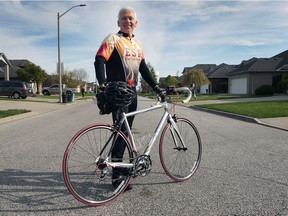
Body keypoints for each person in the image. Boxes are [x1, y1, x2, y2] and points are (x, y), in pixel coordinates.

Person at [94, 6, 162, 190]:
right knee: (121, 133)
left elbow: (143, 68)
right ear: (118, 22)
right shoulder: (113, 39)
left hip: (132, 94)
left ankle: (121, 167)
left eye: (131, 18)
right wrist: (102, 83)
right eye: (124, 18)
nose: (128, 21)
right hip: (117, 93)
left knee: (127, 131)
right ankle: (117, 177)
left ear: (136, 23)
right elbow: (99, 59)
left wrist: (156, 87)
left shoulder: (138, 44)